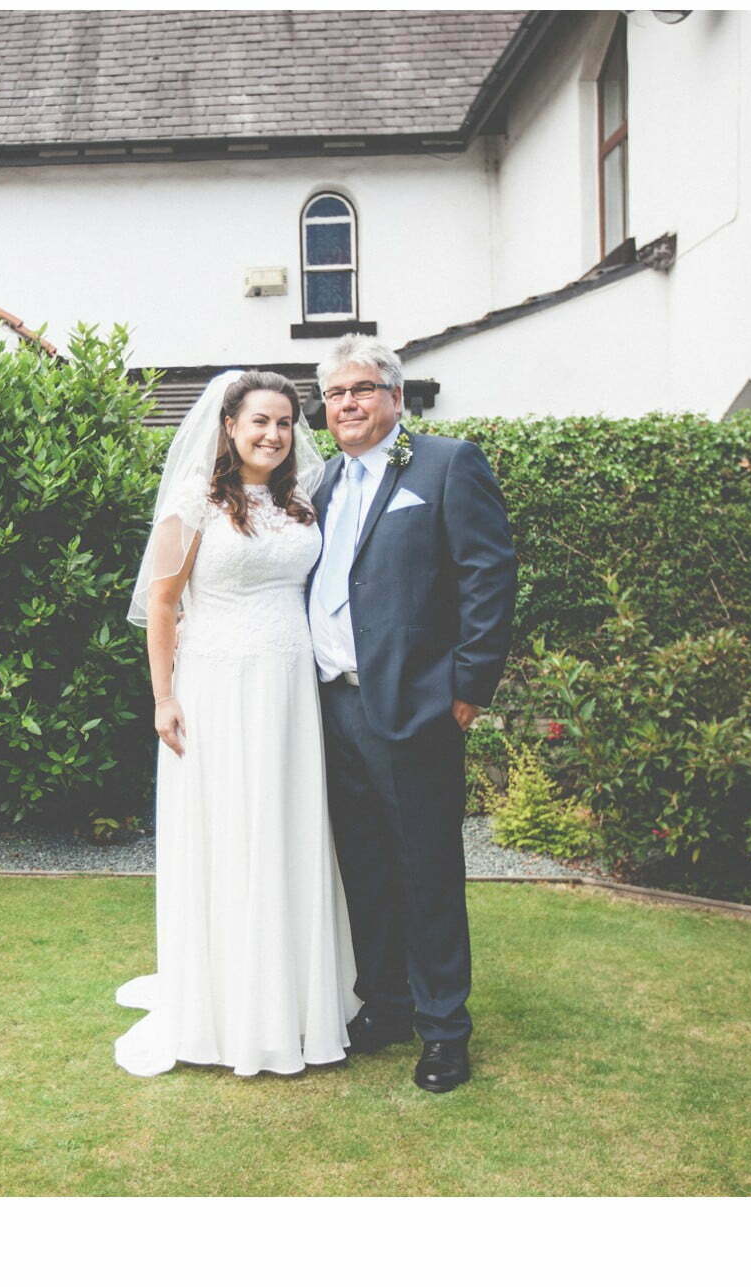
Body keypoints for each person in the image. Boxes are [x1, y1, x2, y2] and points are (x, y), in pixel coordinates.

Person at [115, 369, 360, 1077]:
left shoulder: (302, 504)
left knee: (286, 830)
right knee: (229, 833)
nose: (273, 435)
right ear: (229, 426)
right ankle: (226, 1010)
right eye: (259, 421)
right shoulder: (194, 502)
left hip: (288, 692)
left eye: (284, 422)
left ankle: (295, 1001)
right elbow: (161, 605)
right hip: (217, 687)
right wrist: (164, 697)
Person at [307, 335, 517, 1093]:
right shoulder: (324, 480)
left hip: (415, 708)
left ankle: (444, 1029)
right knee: (364, 867)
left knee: (427, 871)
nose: (348, 404)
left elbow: (488, 574)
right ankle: (386, 1003)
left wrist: (467, 691)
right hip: (331, 706)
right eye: (335, 394)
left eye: (362, 389)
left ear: (395, 396)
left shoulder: (444, 463)